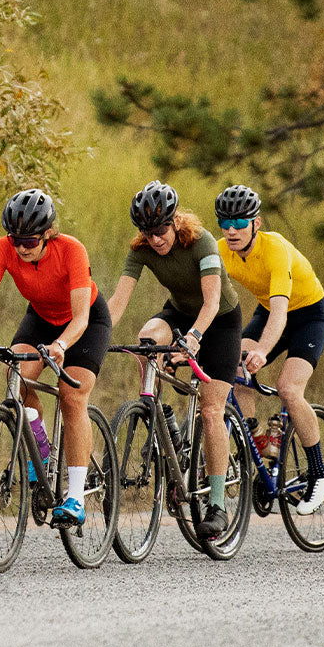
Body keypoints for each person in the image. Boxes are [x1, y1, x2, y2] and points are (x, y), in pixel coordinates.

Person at [0, 188, 112, 526]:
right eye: (15, 239)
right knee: (16, 375)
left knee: (71, 396)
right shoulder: (4, 249)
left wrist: (62, 346)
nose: (21, 247)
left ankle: (76, 497)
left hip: (86, 322)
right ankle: (41, 449)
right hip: (41, 318)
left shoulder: (72, 250)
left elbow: (80, 318)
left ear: (48, 234)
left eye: (30, 241)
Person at [106, 180, 242, 540]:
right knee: (146, 340)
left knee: (212, 410)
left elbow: (212, 303)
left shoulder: (202, 243)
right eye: (147, 233)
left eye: (161, 230)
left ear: (175, 221)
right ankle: (162, 417)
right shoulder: (141, 250)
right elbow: (116, 304)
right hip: (179, 314)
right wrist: (94, 336)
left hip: (221, 323)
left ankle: (217, 505)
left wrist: (195, 338)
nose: (155, 239)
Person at [215, 184, 324, 515]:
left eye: (240, 222)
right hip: (268, 311)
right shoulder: (222, 251)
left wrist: (263, 351)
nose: (232, 230)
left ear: (257, 223)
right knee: (234, 369)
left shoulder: (275, 249)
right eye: (224, 222)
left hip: (308, 315)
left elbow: (281, 313)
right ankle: (256, 442)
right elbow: (208, 300)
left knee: (288, 389)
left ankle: (320, 471)